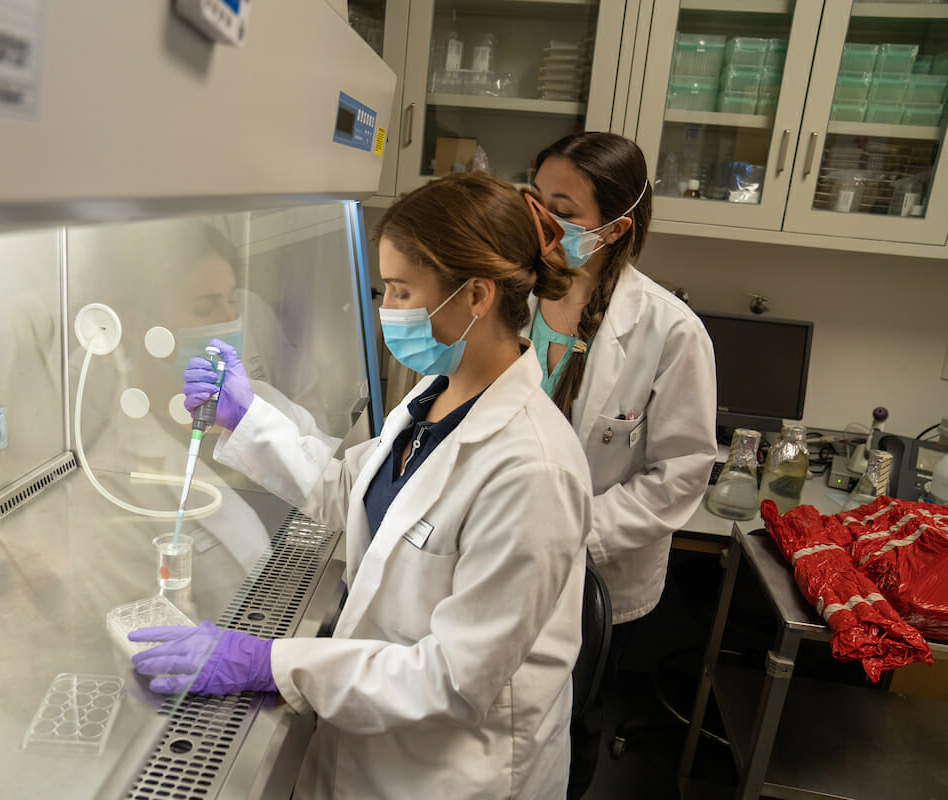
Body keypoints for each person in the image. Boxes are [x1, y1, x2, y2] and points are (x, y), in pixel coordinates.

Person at [128, 172, 593, 799]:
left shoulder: (532, 468)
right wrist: (248, 417)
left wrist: (267, 663)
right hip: (373, 746)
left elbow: (453, 680)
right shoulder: (437, 399)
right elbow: (354, 490)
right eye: (386, 289)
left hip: (450, 774)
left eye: (402, 291)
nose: (388, 311)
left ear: (477, 295)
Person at [528, 131, 718, 797]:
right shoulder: (504, 294)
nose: (542, 220)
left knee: (569, 724)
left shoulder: (670, 331)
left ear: (615, 228)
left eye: (563, 208)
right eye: (535, 198)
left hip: (594, 576)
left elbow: (682, 473)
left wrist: (572, 536)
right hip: (501, 554)